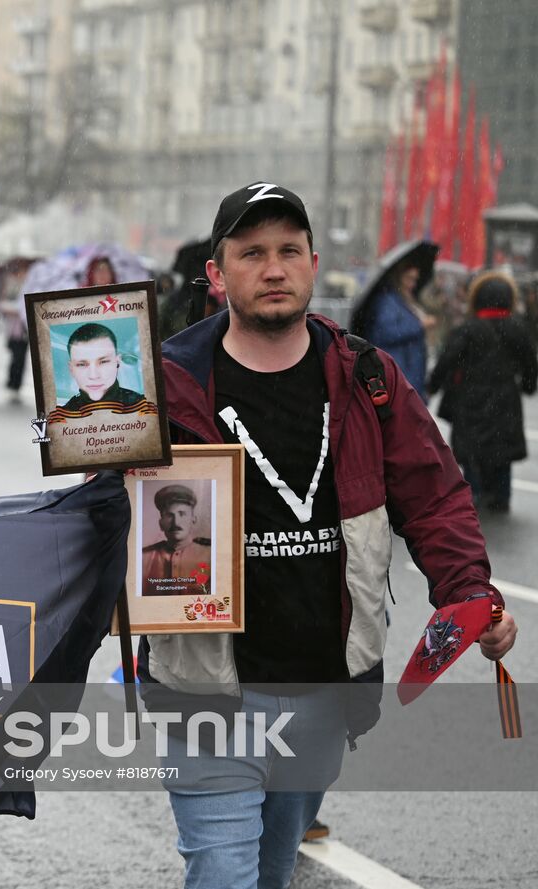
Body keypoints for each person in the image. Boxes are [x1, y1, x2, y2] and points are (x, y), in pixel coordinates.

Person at [141, 181, 516, 889]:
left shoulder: (366, 377)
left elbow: (434, 497)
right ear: (218, 275)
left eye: (288, 250)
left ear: (313, 262)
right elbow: (102, 512)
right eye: (251, 252)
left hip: (324, 690)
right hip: (205, 692)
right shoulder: (165, 384)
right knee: (223, 873)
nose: (273, 267)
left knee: (273, 869)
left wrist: (471, 593)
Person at [428, 271, 538, 513]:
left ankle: (474, 494)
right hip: (506, 399)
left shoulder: (467, 329)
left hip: (470, 398)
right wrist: (528, 386)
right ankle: (501, 496)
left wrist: (433, 385)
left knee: (471, 452)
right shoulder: (516, 328)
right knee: (502, 452)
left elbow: (447, 360)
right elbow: (530, 363)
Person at [364, 263, 433, 396]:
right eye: (409, 278)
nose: (412, 284)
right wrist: (419, 326)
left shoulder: (404, 299)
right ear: (399, 277)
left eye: (415, 279)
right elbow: (386, 332)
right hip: (398, 371)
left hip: (407, 371)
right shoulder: (388, 301)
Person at [140, 484, 212, 596]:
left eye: (182, 514)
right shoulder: (143, 557)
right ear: (161, 523)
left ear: (193, 520)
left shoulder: (210, 555)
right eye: (169, 515)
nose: (176, 523)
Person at [59, 323, 146, 411]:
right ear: (71, 369)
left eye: (103, 362)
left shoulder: (143, 407)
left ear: (117, 362)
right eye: (81, 364)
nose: (94, 376)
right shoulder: (62, 417)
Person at [0, 260, 31, 403]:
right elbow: (2, 304)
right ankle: (12, 382)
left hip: (24, 329)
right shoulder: (11, 285)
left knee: (21, 357)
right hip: (13, 328)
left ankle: (16, 383)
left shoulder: (31, 286)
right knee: (15, 356)